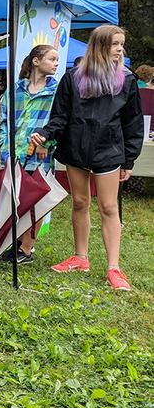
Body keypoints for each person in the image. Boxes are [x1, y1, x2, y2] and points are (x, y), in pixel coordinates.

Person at [30, 25, 143, 291]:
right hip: (76, 151)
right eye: (115, 44)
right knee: (79, 202)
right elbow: (60, 116)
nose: (120, 50)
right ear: (100, 46)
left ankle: (114, 268)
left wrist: (128, 160)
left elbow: (133, 123)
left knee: (108, 207)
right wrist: (45, 134)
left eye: (121, 44)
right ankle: (80, 258)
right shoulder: (72, 78)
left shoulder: (126, 80)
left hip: (109, 152)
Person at [0, 44, 59, 264]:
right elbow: (4, 121)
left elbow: (60, 122)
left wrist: (47, 142)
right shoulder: (14, 91)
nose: (56, 63)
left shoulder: (56, 92)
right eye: (52, 59)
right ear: (36, 61)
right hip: (14, 154)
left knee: (36, 202)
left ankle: (26, 248)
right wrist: (5, 147)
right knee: (16, 200)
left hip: (40, 156)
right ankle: (13, 243)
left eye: (56, 60)